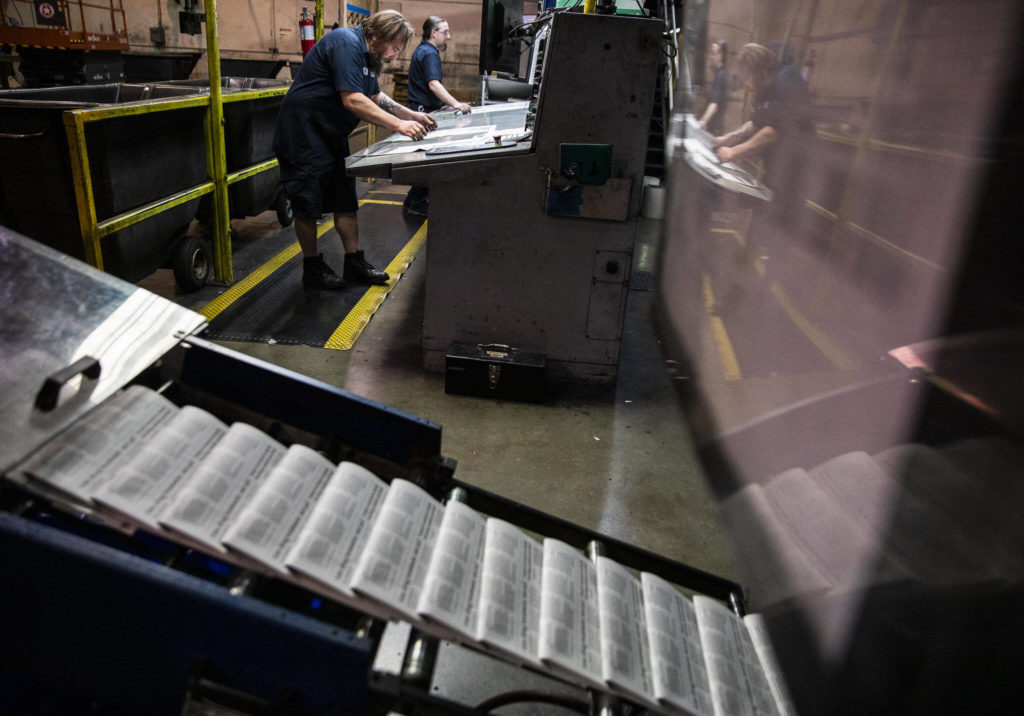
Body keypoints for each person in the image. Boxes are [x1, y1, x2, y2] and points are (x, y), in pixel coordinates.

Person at [273, 10, 437, 290]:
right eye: (394, 48)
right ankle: (312, 269)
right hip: (303, 133)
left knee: (345, 199)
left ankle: (354, 263)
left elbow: (375, 95)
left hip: (330, 134)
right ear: (375, 36)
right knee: (307, 205)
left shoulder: (368, 56)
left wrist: (411, 115)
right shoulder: (345, 42)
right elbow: (353, 100)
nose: (395, 56)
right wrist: (398, 124)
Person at [710, 43, 810, 313]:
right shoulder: (766, 86)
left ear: (760, 69)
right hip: (776, 175)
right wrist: (725, 138)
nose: (747, 84)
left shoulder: (788, 81)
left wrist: (733, 152)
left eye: (748, 76)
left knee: (772, 241)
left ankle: (757, 298)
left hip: (795, 178)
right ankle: (742, 296)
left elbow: (771, 133)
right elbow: (756, 123)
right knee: (757, 237)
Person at [402, 15, 472, 217]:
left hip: (421, 109)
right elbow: (433, 84)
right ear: (433, 33)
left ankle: (412, 200)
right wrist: (456, 104)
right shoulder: (429, 53)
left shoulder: (422, 50)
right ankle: (417, 203)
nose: (448, 36)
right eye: (445, 32)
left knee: (424, 157)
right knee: (429, 158)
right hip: (425, 113)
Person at [699, 39, 728, 135]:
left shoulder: (721, 75)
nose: (710, 56)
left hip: (714, 129)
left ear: (721, 55)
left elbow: (714, 105)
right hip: (714, 127)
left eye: (713, 53)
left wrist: (703, 121)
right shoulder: (719, 73)